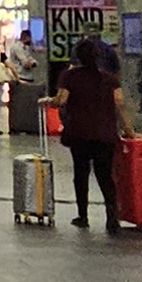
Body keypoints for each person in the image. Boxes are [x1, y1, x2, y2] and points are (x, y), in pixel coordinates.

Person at [57, 37, 125, 231]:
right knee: (105, 175)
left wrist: (49, 100)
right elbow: (120, 103)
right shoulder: (109, 78)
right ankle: (112, 217)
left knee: (81, 173)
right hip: (105, 133)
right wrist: (128, 130)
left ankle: (83, 215)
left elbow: (61, 100)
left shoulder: (69, 76)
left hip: (79, 132)